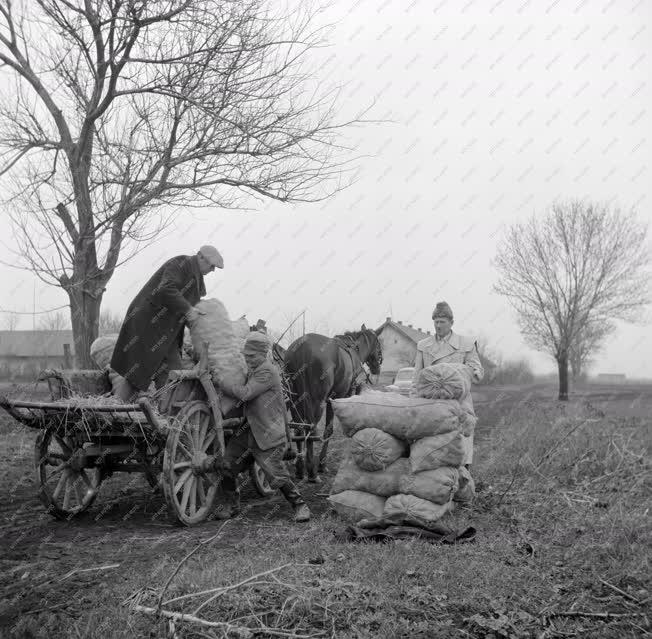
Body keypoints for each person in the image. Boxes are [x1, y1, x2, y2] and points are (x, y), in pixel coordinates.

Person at [214, 331, 311, 523]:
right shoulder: (254, 369)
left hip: (267, 433)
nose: (248, 359)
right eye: (246, 355)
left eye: (252, 356)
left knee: (276, 475)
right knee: (226, 465)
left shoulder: (267, 371)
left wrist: (221, 382)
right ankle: (232, 505)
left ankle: (301, 506)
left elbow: (245, 394)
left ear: (263, 354)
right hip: (247, 431)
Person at [111, 245, 223, 401]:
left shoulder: (196, 279)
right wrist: (188, 310)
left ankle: (165, 415)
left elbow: (189, 308)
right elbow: (166, 288)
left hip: (166, 332)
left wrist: (202, 322)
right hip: (148, 323)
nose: (213, 270)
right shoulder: (179, 264)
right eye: (211, 265)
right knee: (137, 372)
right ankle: (114, 410)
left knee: (173, 372)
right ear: (200, 257)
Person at [414, 301, 484, 468]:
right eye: (436, 322)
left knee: (461, 444)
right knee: (435, 445)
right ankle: (438, 484)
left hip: (460, 404)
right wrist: (414, 401)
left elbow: (477, 368)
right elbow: (417, 377)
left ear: (451, 323)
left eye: (442, 322)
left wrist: (474, 372)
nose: (438, 326)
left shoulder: (465, 343)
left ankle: (463, 482)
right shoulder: (424, 346)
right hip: (432, 403)